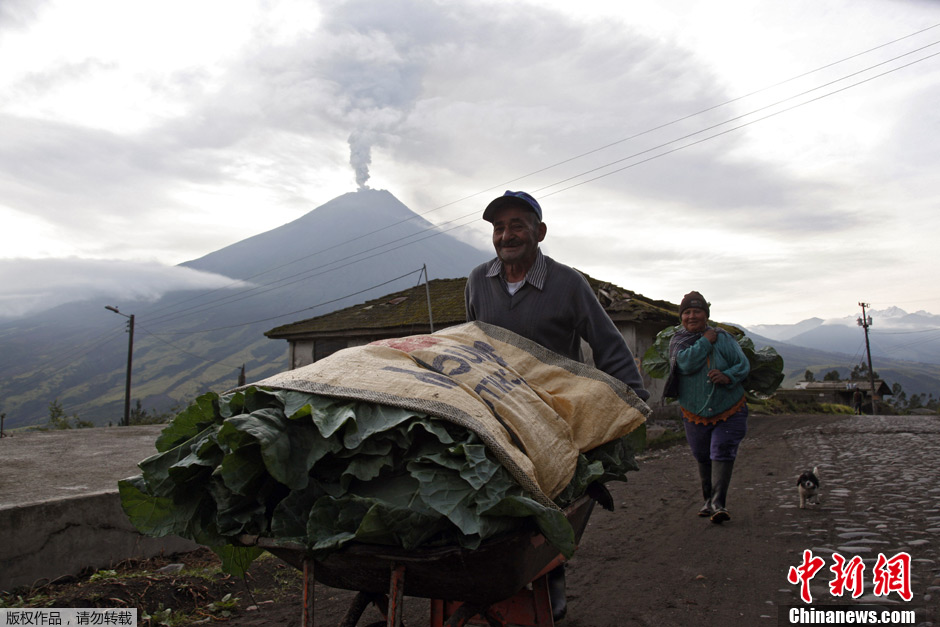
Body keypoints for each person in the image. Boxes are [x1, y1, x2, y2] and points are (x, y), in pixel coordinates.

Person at [465, 190, 650, 620]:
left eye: (517, 225)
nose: (506, 235)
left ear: (539, 232)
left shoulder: (568, 284)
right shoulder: (478, 280)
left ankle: (550, 572)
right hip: (493, 407)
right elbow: (470, 344)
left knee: (550, 492)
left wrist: (634, 400)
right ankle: (494, 570)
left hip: (551, 412)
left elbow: (607, 344)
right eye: (499, 227)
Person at [665, 291, 750, 524]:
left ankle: (718, 504)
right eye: (687, 312)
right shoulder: (678, 341)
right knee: (702, 455)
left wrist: (727, 376)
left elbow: (742, 364)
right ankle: (707, 500)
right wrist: (705, 341)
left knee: (722, 450)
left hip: (728, 408)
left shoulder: (724, 338)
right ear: (681, 317)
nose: (692, 316)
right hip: (694, 412)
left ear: (706, 315)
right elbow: (685, 364)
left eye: (697, 311)